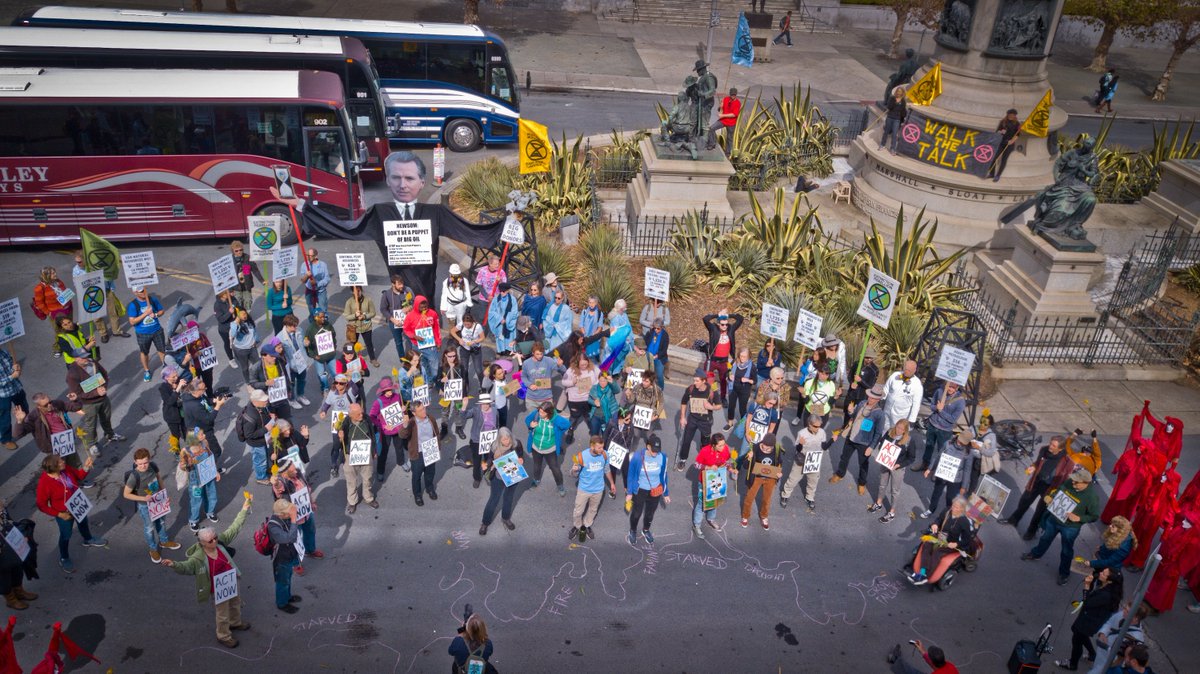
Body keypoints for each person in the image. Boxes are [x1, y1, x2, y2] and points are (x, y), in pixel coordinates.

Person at [162, 495, 253, 648]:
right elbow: (186, 568)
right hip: (217, 588)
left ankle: (235, 623)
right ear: (203, 543)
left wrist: (244, 510)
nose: (215, 541)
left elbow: (234, 527)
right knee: (222, 613)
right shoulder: (198, 558)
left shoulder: (220, 543)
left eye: (215, 538)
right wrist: (173, 564)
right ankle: (223, 636)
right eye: (211, 540)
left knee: (235, 603)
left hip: (230, 579)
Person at [1000, 434, 1090, 540]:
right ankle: (1013, 520)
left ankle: (1031, 531)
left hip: (1050, 488)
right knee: (1024, 501)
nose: (1050, 447)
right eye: (1050, 443)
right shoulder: (1044, 450)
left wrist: (1061, 494)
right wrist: (1033, 467)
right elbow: (1038, 462)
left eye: (1053, 446)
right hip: (1037, 481)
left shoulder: (1067, 462)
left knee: (1040, 511)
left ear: (1060, 449)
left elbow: (1066, 479)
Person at [1023, 468, 1102, 585]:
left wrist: (1079, 518)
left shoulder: (1092, 497)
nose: (1073, 483)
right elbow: (1059, 490)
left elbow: (1094, 516)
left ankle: (1064, 573)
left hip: (1070, 527)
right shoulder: (1070, 482)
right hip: (1054, 519)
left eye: (1077, 482)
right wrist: (1052, 496)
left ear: (1086, 483)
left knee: (1066, 550)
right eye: (1073, 480)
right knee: (1045, 539)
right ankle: (1035, 554)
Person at [36, 454, 107, 573]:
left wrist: (86, 467)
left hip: (77, 504)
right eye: (59, 462)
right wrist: (59, 514)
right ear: (53, 468)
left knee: (83, 521)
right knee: (66, 535)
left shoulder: (65, 469)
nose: (63, 462)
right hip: (64, 513)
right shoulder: (45, 483)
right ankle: (64, 558)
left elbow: (79, 476)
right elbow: (41, 505)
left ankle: (88, 539)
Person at [1056, 567, 1125, 670]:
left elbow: (1087, 603)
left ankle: (1072, 664)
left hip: (1089, 621)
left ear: (1110, 580)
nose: (1100, 573)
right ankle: (1092, 655)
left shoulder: (1106, 595)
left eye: (1103, 574)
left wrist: (1087, 586)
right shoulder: (1108, 588)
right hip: (1091, 619)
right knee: (1078, 633)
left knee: (1077, 640)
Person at [123, 447, 180, 564]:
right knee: (149, 528)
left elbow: (159, 479)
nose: (143, 466)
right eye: (140, 464)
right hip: (145, 505)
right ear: (135, 462)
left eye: (145, 462)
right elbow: (126, 494)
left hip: (158, 500)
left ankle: (164, 542)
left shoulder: (153, 466)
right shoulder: (134, 477)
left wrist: (164, 494)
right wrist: (143, 498)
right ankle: (153, 549)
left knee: (162, 522)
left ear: (149, 460)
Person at [271, 455, 324, 574]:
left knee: (310, 530)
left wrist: (312, 502)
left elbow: (307, 489)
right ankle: (296, 563)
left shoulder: (298, 474)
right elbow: (278, 488)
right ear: (284, 473)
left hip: (306, 512)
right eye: (293, 470)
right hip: (293, 518)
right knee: (295, 540)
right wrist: (275, 483)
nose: (296, 470)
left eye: (295, 468)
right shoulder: (282, 482)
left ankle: (310, 550)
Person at [65, 349, 123, 456]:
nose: (87, 359)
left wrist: (103, 388)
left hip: (103, 398)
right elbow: (78, 393)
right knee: (91, 425)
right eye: (83, 357)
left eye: (87, 356)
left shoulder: (93, 362)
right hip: (89, 404)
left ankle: (110, 434)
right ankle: (91, 444)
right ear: (76, 359)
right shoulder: (72, 375)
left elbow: (104, 375)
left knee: (106, 418)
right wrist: (96, 392)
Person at [908, 496, 975, 586]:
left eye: (956, 507)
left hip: (952, 544)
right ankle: (922, 572)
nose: (953, 508)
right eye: (953, 505)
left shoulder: (964, 521)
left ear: (962, 509)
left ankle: (926, 576)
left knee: (937, 552)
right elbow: (939, 519)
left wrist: (956, 544)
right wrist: (935, 524)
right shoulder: (947, 511)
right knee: (927, 544)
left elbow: (967, 539)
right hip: (941, 537)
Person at [831, 384, 886, 494]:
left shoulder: (880, 414)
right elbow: (853, 417)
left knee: (863, 464)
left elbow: (878, 433)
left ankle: (862, 483)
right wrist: (851, 411)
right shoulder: (861, 403)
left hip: (864, 443)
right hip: (851, 437)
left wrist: (871, 447)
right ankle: (840, 474)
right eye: (870, 396)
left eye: (873, 398)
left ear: (878, 399)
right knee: (844, 458)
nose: (870, 399)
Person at [780, 414, 835, 512]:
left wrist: (832, 441)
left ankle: (810, 497)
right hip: (802, 458)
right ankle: (785, 494)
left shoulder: (822, 432)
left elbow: (824, 447)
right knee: (793, 478)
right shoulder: (802, 433)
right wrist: (800, 444)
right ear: (809, 424)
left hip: (814, 459)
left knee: (813, 480)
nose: (818, 428)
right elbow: (798, 449)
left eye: (819, 426)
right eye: (815, 426)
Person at [913, 380, 965, 472]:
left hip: (945, 430)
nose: (950, 388)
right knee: (929, 446)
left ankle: (939, 470)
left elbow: (953, 419)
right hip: (933, 424)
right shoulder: (939, 391)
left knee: (943, 451)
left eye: (953, 387)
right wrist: (936, 408)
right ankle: (925, 464)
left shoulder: (960, 401)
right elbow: (932, 406)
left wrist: (941, 411)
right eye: (949, 386)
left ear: (957, 388)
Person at [336, 403, 379, 514]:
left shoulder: (366, 419)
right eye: (358, 414)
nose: (361, 415)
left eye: (361, 412)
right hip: (350, 454)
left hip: (365, 452)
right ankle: (352, 501)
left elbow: (373, 435)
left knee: (368, 477)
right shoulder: (344, 423)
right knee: (351, 480)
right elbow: (337, 445)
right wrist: (340, 438)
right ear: (351, 415)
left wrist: (374, 450)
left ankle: (368, 497)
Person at [479, 428, 524, 535]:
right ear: (499, 439)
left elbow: (520, 455)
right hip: (498, 477)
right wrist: (486, 465)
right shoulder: (494, 447)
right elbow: (490, 459)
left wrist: (521, 460)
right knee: (493, 500)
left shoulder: (516, 444)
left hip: (512, 475)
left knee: (509, 498)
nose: (506, 442)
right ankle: (485, 523)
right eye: (503, 440)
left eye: (508, 438)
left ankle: (506, 518)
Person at [570, 435, 614, 542]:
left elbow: (607, 470)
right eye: (599, 447)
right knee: (578, 511)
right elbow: (573, 475)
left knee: (593, 510)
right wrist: (574, 470)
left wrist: (612, 483)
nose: (601, 449)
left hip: (598, 489)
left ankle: (587, 525)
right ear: (592, 446)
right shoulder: (581, 456)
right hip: (584, 489)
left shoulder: (604, 454)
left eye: (602, 447)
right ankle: (577, 526)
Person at [922, 430, 975, 519]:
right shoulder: (948, 444)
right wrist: (929, 469)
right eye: (959, 439)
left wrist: (963, 487)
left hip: (956, 480)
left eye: (962, 442)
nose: (959, 442)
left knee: (950, 498)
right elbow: (938, 457)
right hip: (942, 474)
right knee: (936, 493)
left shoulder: (969, 453)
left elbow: (967, 470)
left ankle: (948, 516)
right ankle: (931, 509)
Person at [870, 419, 916, 523]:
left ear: (905, 431)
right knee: (882, 484)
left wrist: (899, 464)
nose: (898, 430)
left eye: (901, 429)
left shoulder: (909, 440)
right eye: (897, 427)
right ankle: (879, 503)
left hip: (897, 468)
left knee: (894, 490)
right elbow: (882, 443)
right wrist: (883, 452)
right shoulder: (890, 432)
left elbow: (911, 458)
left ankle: (891, 513)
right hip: (885, 463)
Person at [627, 435, 670, 544]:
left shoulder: (663, 457)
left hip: (655, 490)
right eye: (653, 450)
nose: (655, 453)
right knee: (637, 513)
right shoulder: (637, 457)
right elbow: (631, 475)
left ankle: (645, 530)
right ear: (648, 447)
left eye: (657, 451)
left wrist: (666, 493)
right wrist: (630, 492)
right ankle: (632, 530)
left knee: (650, 514)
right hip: (640, 490)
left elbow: (664, 475)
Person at [400, 400, 442, 506]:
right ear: (414, 413)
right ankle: (417, 495)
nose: (424, 411)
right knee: (417, 476)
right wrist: (404, 425)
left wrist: (438, 447)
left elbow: (436, 433)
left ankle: (429, 488)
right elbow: (403, 435)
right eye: (421, 410)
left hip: (430, 451)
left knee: (430, 473)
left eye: (424, 408)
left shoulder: (431, 418)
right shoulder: (411, 423)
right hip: (418, 454)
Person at [678, 368, 721, 471]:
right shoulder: (691, 389)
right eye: (694, 380)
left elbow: (719, 405)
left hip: (705, 421)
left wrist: (711, 407)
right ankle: (683, 459)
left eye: (697, 381)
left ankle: (704, 460)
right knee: (686, 441)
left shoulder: (712, 391)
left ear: (704, 381)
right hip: (692, 419)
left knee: (705, 443)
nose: (695, 383)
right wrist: (682, 417)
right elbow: (684, 402)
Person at [691, 433, 732, 537]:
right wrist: (707, 467)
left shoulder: (726, 449)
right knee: (701, 503)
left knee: (715, 500)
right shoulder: (705, 451)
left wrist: (731, 469)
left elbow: (727, 462)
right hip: (705, 482)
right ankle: (696, 525)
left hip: (718, 479)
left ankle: (711, 519)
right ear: (713, 445)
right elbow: (696, 464)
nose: (723, 448)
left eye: (724, 444)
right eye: (720, 446)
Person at [1087, 602, 1146, 674]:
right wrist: (1102, 633)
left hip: (1111, 661)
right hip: (1102, 651)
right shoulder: (1122, 615)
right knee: (1097, 664)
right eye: (1125, 608)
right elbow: (1109, 623)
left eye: (1127, 611)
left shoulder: (1137, 638)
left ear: (1136, 618)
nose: (1123, 611)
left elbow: (1127, 659)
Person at [525, 401, 570, 495]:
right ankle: (536, 480)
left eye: (543, 412)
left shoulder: (555, 419)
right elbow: (527, 420)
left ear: (549, 413)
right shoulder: (536, 414)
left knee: (554, 468)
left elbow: (567, 424)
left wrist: (559, 432)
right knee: (537, 465)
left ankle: (560, 485)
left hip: (550, 449)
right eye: (540, 411)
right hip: (536, 447)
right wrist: (530, 425)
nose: (540, 414)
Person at [0, 498, 38, 610]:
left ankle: (19, 591)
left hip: (9, 542)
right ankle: (11, 600)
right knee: (3, 577)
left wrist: (20, 535)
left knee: (17, 568)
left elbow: (9, 520)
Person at [179, 432, 220, 532]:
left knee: (211, 494)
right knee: (196, 499)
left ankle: (210, 512)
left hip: (208, 474)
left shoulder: (205, 443)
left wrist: (216, 471)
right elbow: (182, 466)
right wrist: (189, 463)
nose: (204, 435)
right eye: (201, 434)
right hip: (195, 479)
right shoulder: (185, 451)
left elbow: (210, 456)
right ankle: (193, 520)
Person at [267, 498, 302, 614]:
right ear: (281, 514)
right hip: (281, 558)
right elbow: (290, 538)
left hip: (289, 554)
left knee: (288, 577)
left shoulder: (283, 518)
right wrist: (293, 520)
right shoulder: (273, 527)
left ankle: (287, 596)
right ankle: (282, 603)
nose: (291, 512)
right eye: (288, 511)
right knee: (282, 581)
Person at [369, 377, 408, 480]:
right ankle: (380, 471)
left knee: (399, 447)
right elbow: (372, 416)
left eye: (391, 389)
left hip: (398, 427)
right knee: (383, 452)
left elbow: (402, 410)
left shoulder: (397, 396)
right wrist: (382, 425)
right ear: (382, 391)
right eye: (387, 390)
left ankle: (401, 462)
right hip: (385, 432)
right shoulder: (378, 402)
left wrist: (403, 409)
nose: (390, 392)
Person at [741, 432, 782, 530]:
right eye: (763, 446)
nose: (764, 449)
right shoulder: (755, 448)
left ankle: (764, 516)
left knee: (767, 499)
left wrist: (779, 473)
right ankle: (745, 516)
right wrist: (749, 458)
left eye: (767, 448)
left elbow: (779, 462)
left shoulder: (777, 449)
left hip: (770, 478)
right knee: (749, 497)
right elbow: (745, 466)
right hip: (756, 477)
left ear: (772, 447)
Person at [702, 310, 743, 405]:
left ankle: (723, 397)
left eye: (726, 324)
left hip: (724, 361)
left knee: (724, 381)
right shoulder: (713, 329)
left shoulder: (730, 329)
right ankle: (712, 396)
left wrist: (728, 315)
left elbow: (740, 318)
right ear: (718, 324)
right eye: (722, 324)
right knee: (710, 380)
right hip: (712, 360)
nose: (725, 326)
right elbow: (705, 319)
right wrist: (718, 315)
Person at [126, 285, 167, 381]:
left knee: (161, 350)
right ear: (135, 292)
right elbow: (132, 321)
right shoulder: (133, 305)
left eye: (144, 290)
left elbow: (161, 311)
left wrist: (156, 314)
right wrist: (146, 313)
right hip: (143, 333)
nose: (143, 292)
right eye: (140, 291)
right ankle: (146, 370)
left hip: (157, 330)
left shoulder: (152, 300)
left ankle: (166, 368)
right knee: (144, 352)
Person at [31, 266, 73, 359]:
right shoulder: (39, 288)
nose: (56, 274)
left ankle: (71, 343)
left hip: (67, 308)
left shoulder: (58, 281)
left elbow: (64, 290)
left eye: (55, 272)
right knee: (59, 331)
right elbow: (39, 302)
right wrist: (48, 312)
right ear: (47, 275)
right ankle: (57, 348)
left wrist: (68, 295)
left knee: (69, 327)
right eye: (53, 273)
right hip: (55, 313)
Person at [560, 354, 600, 446]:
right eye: (582, 365)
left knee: (589, 417)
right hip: (574, 400)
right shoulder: (570, 370)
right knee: (574, 418)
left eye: (585, 364)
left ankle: (593, 434)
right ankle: (570, 432)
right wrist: (572, 382)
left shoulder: (594, 368)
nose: (584, 367)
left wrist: (593, 386)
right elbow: (563, 381)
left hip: (588, 399)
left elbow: (600, 377)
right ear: (577, 364)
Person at [462, 393, 500, 488]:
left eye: (487, 403)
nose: (485, 405)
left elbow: (497, 423)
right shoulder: (476, 410)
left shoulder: (495, 410)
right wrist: (464, 406)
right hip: (477, 440)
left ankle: (487, 475)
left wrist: (496, 435)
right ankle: (477, 478)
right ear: (480, 404)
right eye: (483, 404)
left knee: (489, 459)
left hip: (490, 440)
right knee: (477, 460)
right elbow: (464, 416)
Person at [250, 340, 293, 421]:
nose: (274, 358)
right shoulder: (255, 368)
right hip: (269, 400)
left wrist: (289, 389)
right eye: (272, 356)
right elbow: (253, 383)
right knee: (273, 423)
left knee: (287, 420)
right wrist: (265, 383)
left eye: (275, 356)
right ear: (264, 356)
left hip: (281, 398)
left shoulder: (279, 361)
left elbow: (285, 376)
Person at [403, 294, 441, 385]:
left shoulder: (432, 314)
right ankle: (429, 381)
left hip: (430, 345)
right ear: (416, 305)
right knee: (423, 365)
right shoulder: (410, 316)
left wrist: (438, 341)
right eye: (421, 306)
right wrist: (414, 336)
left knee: (434, 366)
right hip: (417, 346)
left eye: (425, 305)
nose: (424, 308)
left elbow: (436, 328)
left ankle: (435, 378)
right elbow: (406, 329)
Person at [238, 390, 272, 485]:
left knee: (264, 457)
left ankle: (264, 470)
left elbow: (262, 418)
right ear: (255, 401)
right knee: (260, 461)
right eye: (264, 400)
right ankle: (261, 478)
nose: (267, 401)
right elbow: (249, 435)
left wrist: (270, 418)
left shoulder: (259, 407)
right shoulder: (250, 417)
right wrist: (266, 429)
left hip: (263, 440)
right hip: (257, 444)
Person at [882, 359, 923, 441]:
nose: (906, 371)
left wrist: (911, 420)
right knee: (883, 427)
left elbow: (916, 404)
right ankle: (880, 442)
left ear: (914, 370)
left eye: (909, 370)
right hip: (887, 409)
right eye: (905, 369)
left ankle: (890, 447)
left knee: (896, 433)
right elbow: (886, 389)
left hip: (900, 415)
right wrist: (881, 399)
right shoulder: (895, 375)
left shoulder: (917, 385)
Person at [276, 315, 312, 407]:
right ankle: (291, 399)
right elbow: (278, 352)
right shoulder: (280, 337)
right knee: (291, 384)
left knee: (302, 380)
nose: (295, 327)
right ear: (286, 325)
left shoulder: (299, 330)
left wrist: (305, 343)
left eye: (296, 325)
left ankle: (300, 395)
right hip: (290, 364)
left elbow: (302, 343)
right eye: (293, 326)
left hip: (301, 361)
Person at [380, 273, 415, 361]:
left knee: (411, 339)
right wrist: (392, 319)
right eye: (399, 284)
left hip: (408, 320)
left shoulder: (408, 290)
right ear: (393, 284)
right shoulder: (387, 294)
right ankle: (402, 359)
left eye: (402, 283)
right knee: (398, 342)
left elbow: (415, 302)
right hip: (394, 322)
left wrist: (410, 307)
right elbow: (383, 309)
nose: (402, 286)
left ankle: (411, 357)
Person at [303, 309, 339, 394]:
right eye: (321, 317)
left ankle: (337, 386)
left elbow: (333, 335)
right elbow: (307, 346)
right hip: (318, 357)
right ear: (315, 317)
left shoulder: (328, 325)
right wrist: (313, 355)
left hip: (330, 355)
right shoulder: (310, 329)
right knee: (322, 375)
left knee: (335, 373)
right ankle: (325, 388)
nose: (323, 318)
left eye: (324, 316)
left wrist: (334, 347)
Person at [344, 285, 379, 368]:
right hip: (354, 328)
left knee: (369, 343)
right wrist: (355, 315)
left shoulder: (368, 300)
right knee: (352, 345)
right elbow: (347, 316)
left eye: (359, 290)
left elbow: (373, 313)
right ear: (352, 292)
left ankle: (373, 359)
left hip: (366, 327)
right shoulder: (349, 302)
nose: (358, 293)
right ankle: (352, 361)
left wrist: (365, 316)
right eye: (356, 291)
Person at [437, 347, 468, 442]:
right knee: (445, 411)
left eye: (454, 356)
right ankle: (444, 428)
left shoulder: (460, 366)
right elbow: (437, 381)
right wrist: (441, 381)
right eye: (450, 356)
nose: (452, 358)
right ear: (445, 355)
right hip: (446, 393)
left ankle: (458, 427)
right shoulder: (442, 367)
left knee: (458, 408)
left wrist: (465, 395)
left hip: (458, 393)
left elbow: (465, 380)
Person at [0, 348, 27, 450]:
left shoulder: (4, 351)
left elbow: (12, 364)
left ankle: (25, 426)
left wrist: (16, 367)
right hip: (2, 394)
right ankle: (6, 440)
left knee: (24, 408)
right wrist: (12, 376)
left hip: (16, 388)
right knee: (4, 418)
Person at [521, 342, 561, 411]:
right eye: (537, 354)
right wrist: (529, 385)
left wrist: (560, 365)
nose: (540, 356)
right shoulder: (526, 363)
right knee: (533, 420)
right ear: (533, 353)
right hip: (531, 399)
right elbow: (523, 377)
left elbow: (560, 369)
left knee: (547, 420)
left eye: (541, 353)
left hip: (546, 397)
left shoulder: (549, 360)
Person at [843, 346, 879, 421]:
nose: (869, 359)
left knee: (858, 416)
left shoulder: (874, 370)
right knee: (847, 414)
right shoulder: (856, 364)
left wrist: (860, 380)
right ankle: (844, 428)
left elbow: (870, 386)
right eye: (867, 357)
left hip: (862, 397)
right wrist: (852, 383)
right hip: (851, 395)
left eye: (871, 358)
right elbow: (850, 376)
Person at [451, 312, 485, 388]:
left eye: (468, 324)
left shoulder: (478, 326)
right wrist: (459, 339)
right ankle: (465, 385)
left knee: (478, 370)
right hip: (464, 349)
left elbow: (482, 337)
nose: (466, 326)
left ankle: (482, 385)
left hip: (475, 349)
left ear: (472, 322)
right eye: (465, 324)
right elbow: (452, 331)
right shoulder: (461, 324)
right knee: (464, 369)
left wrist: (475, 341)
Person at [229, 241, 263, 316]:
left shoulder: (247, 258)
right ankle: (239, 316)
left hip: (246, 285)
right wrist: (230, 289)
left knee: (248, 301)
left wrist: (262, 281)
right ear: (233, 251)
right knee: (238, 302)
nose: (239, 252)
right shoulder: (229, 260)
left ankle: (245, 315)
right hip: (236, 287)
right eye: (236, 251)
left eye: (241, 250)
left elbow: (255, 270)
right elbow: (227, 277)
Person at [886, 640, 959, 674]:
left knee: (909, 671)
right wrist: (921, 649)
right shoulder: (950, 666)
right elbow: (932, 663)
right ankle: (896, 660)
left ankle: (895, 659)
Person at [725, 347, 755, 428]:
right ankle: (730, 423)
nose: (742, 358)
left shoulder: (752, 366)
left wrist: (748, 380)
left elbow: (754, 381)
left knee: (742, 409)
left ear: (749, 357)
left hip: (744, 390)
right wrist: (729, 375)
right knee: (731, 406)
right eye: (741, 356)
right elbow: (728, 370)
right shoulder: (734, 361)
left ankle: (743, 425)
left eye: (744, 356)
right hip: (733, 388)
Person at [989, 108, 1022, 182]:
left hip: (1009, 144)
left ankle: (997, 176)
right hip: (1001, 143)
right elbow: (997, 131)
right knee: (994, 158)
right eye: (1010, 115)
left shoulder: (1017, 124)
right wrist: (1000, 132)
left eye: (1012, 115)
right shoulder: (1002, 122)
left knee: (1003, 160)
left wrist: (1012, 141)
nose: (1011, 116)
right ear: (1007, 115)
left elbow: (1017, 135)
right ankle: (991, 174)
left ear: (1015, 116)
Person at [229, 307, 259, 385]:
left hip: (252, 348)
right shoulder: (234, 324)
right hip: (241, 350)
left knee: (258, 364)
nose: (245, 315)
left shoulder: (249, 321)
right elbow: (233, 334)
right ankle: (247, 381)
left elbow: (255, 331)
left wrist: (256, 340)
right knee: (245, 367)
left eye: (245, 313)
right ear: (237, 315)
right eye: (242, 314)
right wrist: (236, 322)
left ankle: (259, 377)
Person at [487, 283, 519, 356]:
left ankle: (509, 350)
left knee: (509, 337)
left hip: (508, 322)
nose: (502, 293)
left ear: (508, 291)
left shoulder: (513, 299)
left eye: (503, 291)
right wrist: (500, 318)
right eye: (500, 291)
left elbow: (515, 312)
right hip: (500, 323)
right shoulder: (496, 299)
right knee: (500, 337)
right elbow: (491, 311)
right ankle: (501, 350)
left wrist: (506, 319)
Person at [707, 87, 741, 152]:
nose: (733, 96)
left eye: (734, 95)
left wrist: (722, 115)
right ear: (730, 94)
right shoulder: (725, 99)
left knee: (729, 138)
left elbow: (734, 114)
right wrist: (720, 106)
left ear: (736, 95)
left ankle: (728, 153)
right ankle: (712, 144)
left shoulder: (737, 103)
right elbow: (719, 110)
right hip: (723, 121)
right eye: (731, 95)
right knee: (711, 128)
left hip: (731, 123)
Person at [440, 263, 473, 328]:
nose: (455, 276)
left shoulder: (464, 281)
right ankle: (451, 334)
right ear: (450, 273)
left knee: (460, 320)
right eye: (453, 274)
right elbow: (444, 295)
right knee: (450, 319)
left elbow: (467, 293)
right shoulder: (446, 282)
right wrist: (443, 307)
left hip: (460, 305)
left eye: (456, 275)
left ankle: (458, 334)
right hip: (450, 304)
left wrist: (469, 304)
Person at [300, 247, 331, 316]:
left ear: (315, 256)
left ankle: (324, 323)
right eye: (307, 255)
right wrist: (307, 276)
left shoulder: (322, 265)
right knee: (311, 309)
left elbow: (327, 279)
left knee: (323, 310)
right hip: (309, 290)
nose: (307, 257)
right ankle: (313, 323)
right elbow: (302, 280)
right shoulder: (304, 265)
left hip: (320, 291)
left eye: (309, 256)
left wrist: (317, 283)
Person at [213, 290, 242, 361]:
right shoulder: (217, 305)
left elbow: (237, 305)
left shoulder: (231, 298)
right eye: (226, 293)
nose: (229, 293)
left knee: (237, 342)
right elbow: (221, 319)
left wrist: (234, 306)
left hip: (234, 325)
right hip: (225, 329)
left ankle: (239, 356)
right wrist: (229, 312)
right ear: (222, 295)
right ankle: (231, 359)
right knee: (228, 344)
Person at [880, 86, 908, 153]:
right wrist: (895, 101)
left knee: (895, 134)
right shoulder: (892, 98)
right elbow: (889, 107)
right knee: (886, 132)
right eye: (898, 91)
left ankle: (892, 149)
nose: (898, 93)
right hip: (890, 117)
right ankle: (882, 145)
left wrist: (902, 119)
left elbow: (903, 113)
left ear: (902, 93)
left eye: (900, 92)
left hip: (897, 119)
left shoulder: (903, 101)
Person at [644, 318, 670, 390]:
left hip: (658, 358)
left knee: (659, 375)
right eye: (654, 328)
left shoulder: (665, 335)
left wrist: (657, 355)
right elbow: (645, 341)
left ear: (662, 327)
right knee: (646, 374)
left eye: (658, 328)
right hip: (648, 355)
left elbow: (664, 349)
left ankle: (660, 390)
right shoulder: (650, 332)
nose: (656, 330)